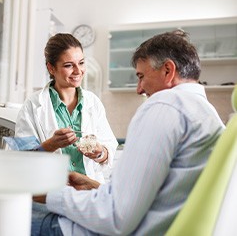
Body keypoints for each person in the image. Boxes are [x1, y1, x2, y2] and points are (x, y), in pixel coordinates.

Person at [31, 30, 225, 236]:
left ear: (168, 70)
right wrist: (95, 186)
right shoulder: (207, 113)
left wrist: (52, 195)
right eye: (69, 65)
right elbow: (155, 196)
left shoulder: (165, 106)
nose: (139, 89)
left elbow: (115, 216)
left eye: (141, 76)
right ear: (51, 69)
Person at [15, 33, 118, 184]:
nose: (78, 71)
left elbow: (109, 147)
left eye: (81, 63)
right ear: (51, 68)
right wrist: (51, 144)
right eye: (69, 65)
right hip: (50, 193)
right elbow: (21, 159)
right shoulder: (32, 105)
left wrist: (99, 152)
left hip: (88, 193)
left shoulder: (93, 103)